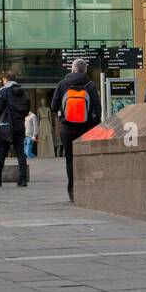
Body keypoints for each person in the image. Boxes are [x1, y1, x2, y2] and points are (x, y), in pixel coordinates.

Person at [50, 59, 101, 202]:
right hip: (86, 128)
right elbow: (97, 108)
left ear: (72, 69)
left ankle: (72, 189)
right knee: (86, 158)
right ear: (85, 70)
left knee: (70, 158)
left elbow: (53, 106)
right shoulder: (90, 86)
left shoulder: (62, 84)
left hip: (67, 129)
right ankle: (86, 187)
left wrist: (63, 114)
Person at [0, 71, 30, 188]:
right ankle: (22, 179)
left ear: (6, 79)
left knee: (1, 152)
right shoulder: (23, 92)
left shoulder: (3, 90)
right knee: (20, 152)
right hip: (19, 125)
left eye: (3, 80)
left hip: (5, 125)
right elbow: (27, 108)